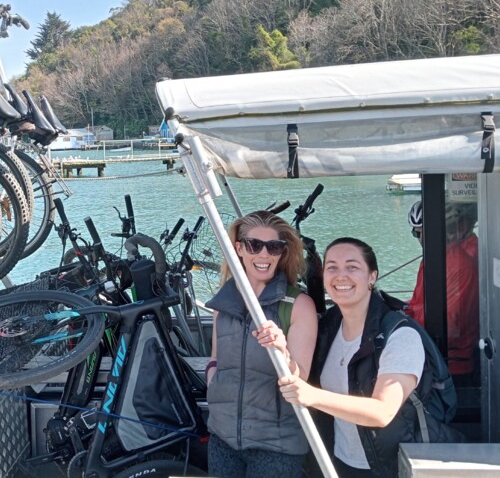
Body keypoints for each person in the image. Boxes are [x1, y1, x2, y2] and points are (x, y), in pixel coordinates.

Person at [261, 237, 426, 477]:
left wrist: (311, 396)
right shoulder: (329, 326)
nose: (341, 275)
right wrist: (282, 350)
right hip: (337, 460)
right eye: (332, 267)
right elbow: (302, 378)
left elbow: (382, 412)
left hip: (386, 466)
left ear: (372, 276)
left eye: (352, 267)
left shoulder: (400, 335)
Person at [204, 210, 318, 478]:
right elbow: (215, 359)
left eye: (274, 247)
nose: (264, 255)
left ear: (282, 252)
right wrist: (213, 379)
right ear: (239, 249)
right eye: (255, 245)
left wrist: (282, 350)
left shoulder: (298, 305)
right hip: (222, 438)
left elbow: (300, 375)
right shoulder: (223, 303)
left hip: (276, 446)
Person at [406, 201, 479, 378]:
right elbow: (419, 303)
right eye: (416, 233)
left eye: (426, 232)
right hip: (433, 354)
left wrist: (403, 323)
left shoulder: (459, 265)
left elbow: (448, 324)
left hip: (449, 362)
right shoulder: (433, 259)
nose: (421, 240)